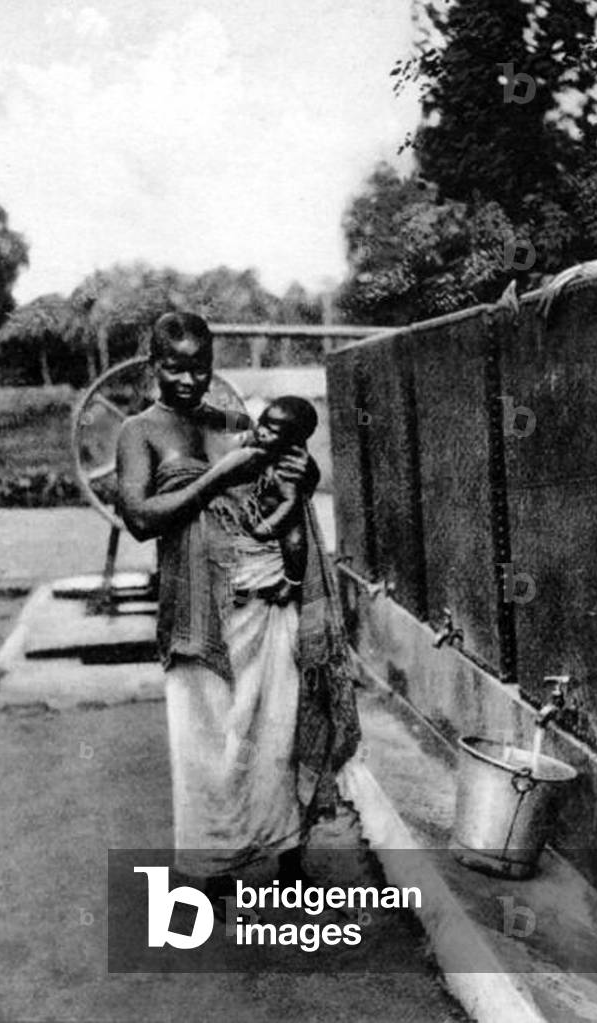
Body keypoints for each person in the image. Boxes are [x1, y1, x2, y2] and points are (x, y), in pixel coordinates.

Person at [116, 312, 360, 910]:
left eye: (199, 367)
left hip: (266, 600)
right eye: (173, 367)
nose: (187, 380)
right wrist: (220, 473)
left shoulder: (234, 422)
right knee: (205, 748)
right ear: (153, 366)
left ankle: (286, 858)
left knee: (273, 734)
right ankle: (215, 874)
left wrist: (309, 473)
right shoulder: (139, 433)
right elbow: (142, 519)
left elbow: (282, 474)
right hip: (200, 613)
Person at [237, 396, 319, 607]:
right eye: (262, 423)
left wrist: (267, 526)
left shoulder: (290, 465)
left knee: (295, 541)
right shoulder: (257, 443)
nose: (262, 431)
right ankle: (242, 594)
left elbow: (290, 501)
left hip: (282, 518)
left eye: (272, 431)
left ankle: (292, 582)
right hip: (254, 512)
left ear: (292, 440)